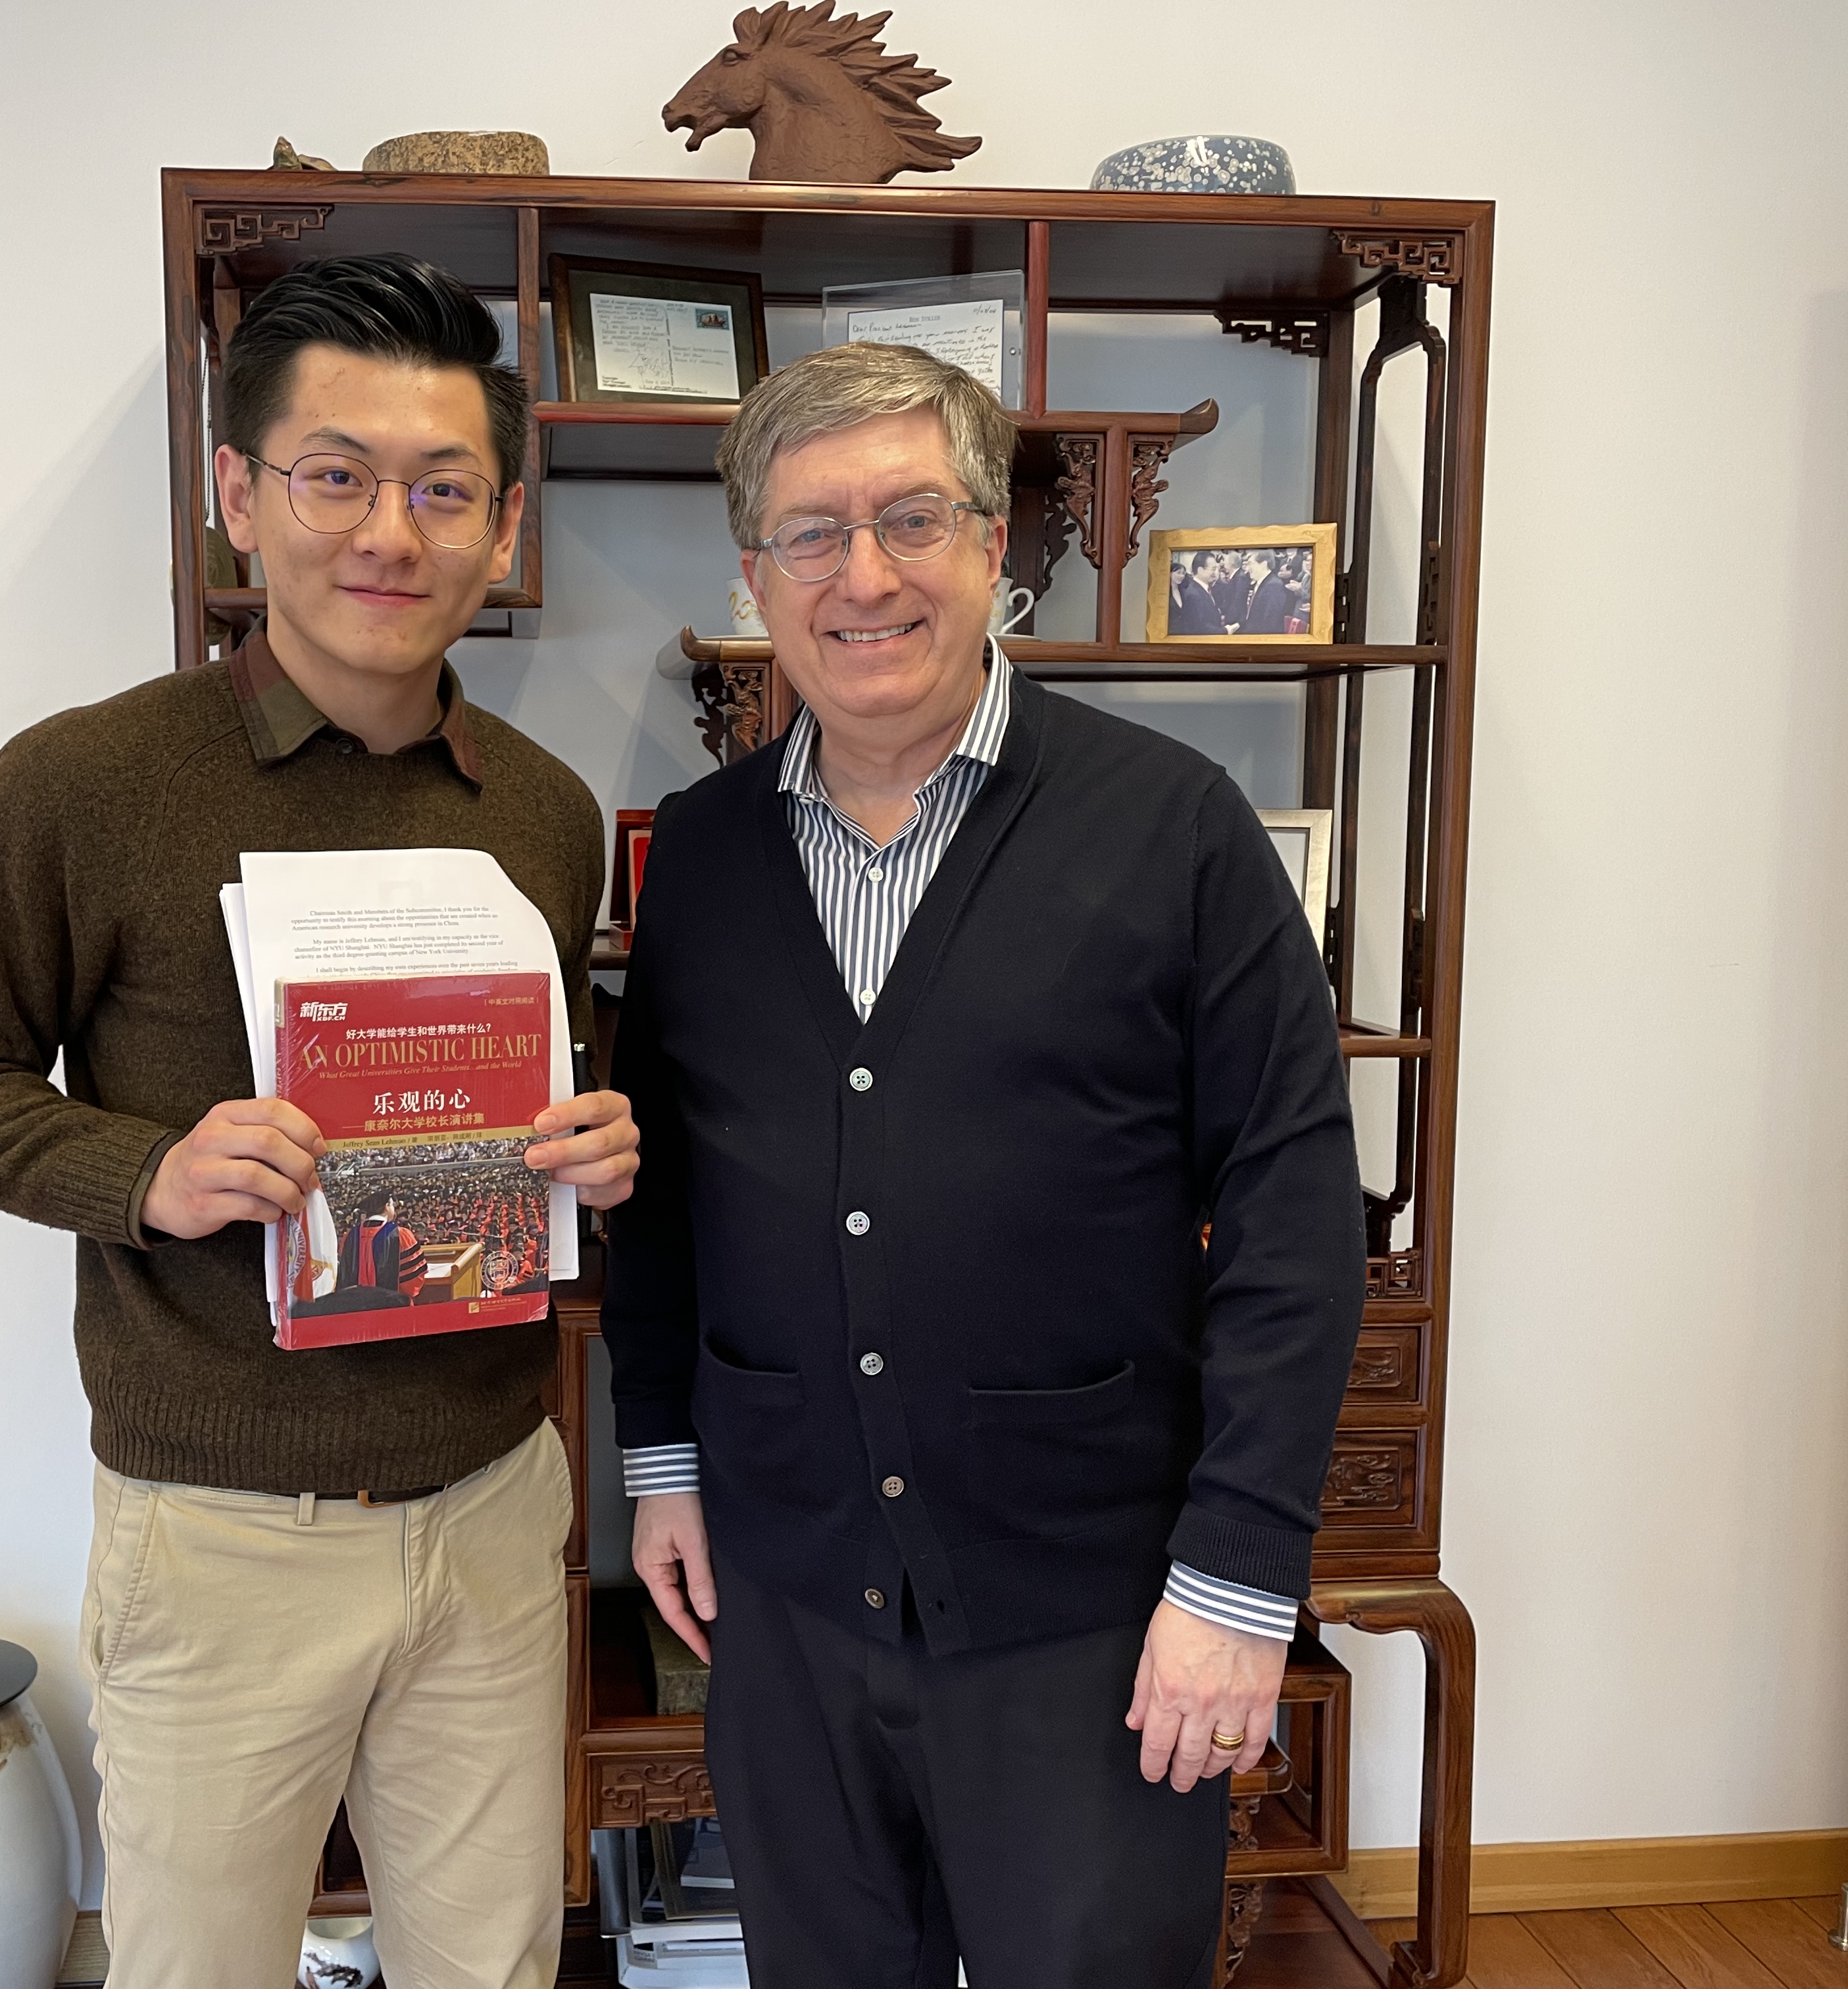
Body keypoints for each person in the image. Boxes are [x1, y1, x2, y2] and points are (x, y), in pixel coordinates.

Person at [0, 252, 640, 1989]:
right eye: (336, 476)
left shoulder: (547, 813)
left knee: (494, 1965)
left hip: (497, 1505)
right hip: (221, 1533)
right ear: (240, 500)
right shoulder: (90, 782)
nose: (390, 534)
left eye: (443, 490)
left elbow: (548, 1101)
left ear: (502, 527)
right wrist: (154, 1170)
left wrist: (598, 1151)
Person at [602, 341, 1361, 1987]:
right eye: (812, 533)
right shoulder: (705, 853)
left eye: (911, 519)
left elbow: (1299, 1223)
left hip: (1087, 1620)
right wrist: (661, 1460)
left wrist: (1234, 1584)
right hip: (790, 1607)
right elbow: (659, 1196)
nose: (862, 576)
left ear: (995, 548)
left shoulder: (1178, 830)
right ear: (756, 575)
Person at [1170, 549, 1228, 634]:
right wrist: (1226, 631)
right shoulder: (1194, 594)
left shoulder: (1205, 589)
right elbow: (1201, 628)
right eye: (1213, 569)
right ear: (1200, 570)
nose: (1216, 573)